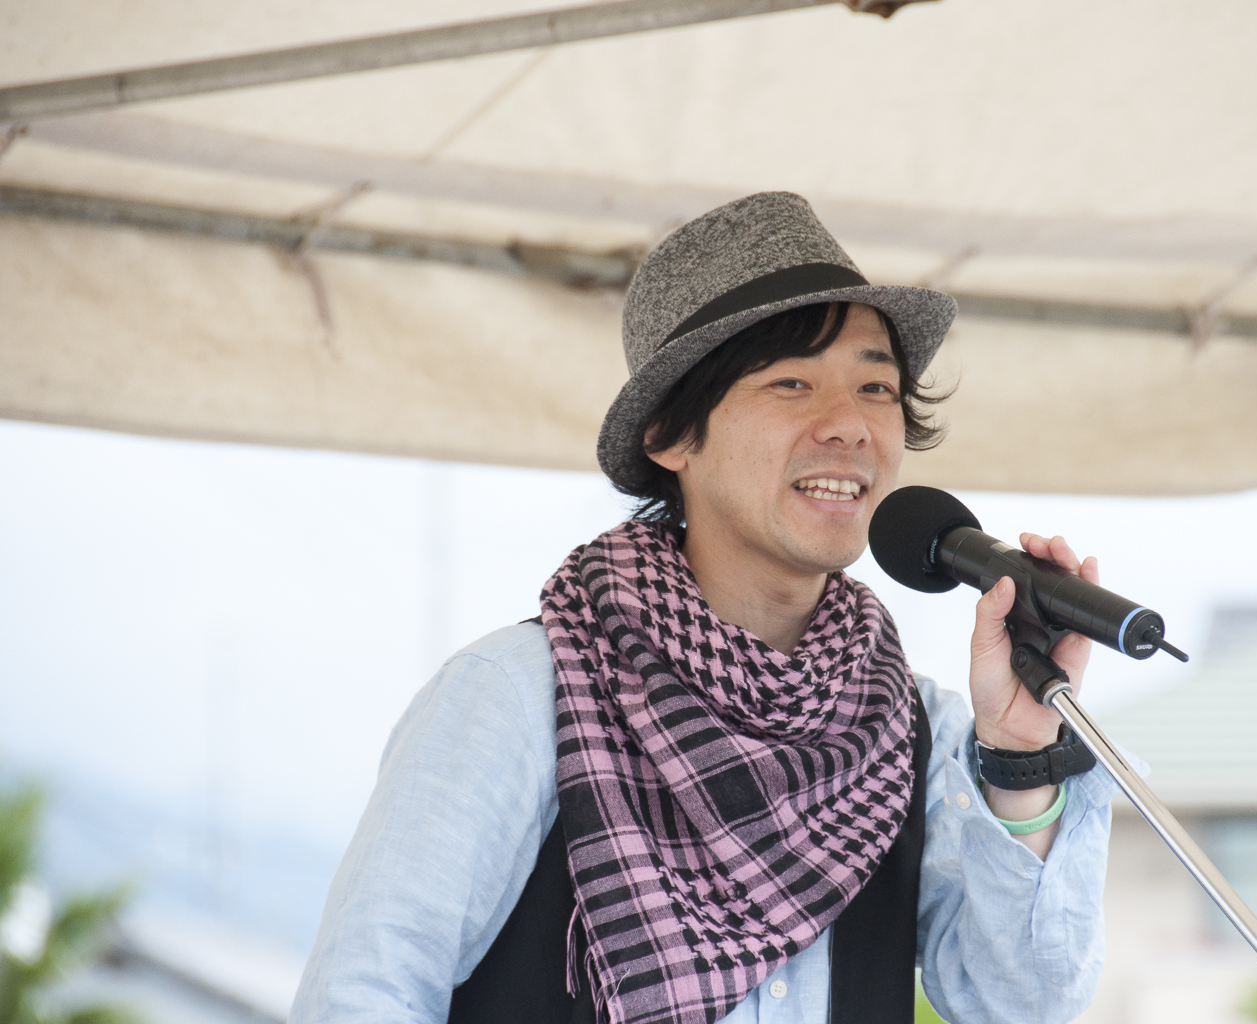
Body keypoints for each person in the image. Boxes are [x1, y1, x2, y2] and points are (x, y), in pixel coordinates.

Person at [291, 192, 1121, 1024]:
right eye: (791, 381)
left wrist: (1020, 757)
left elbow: (1019, 1005)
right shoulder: (520, 693)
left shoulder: (914, 729)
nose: (850, 425)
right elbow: (363, 998)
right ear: (668, 433)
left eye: (877, 385)